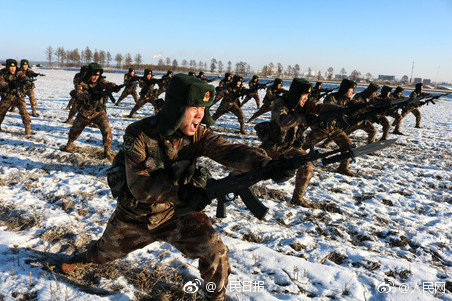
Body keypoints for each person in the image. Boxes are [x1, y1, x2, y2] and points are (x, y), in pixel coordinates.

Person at [59, 74, 294, 301]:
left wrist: (265, 163)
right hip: (135, 215)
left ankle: (216, 297)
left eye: (203, 110)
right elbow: (139, 185)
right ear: (176, 108)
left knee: (216, 252)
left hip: (177, 213)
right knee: (103, 253)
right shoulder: (138, 134)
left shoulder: (199, 134)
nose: (200, 116)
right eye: (194, 109)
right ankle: (86, 258)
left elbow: (229, 150)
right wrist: (182, 192)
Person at [256, 78, 315, 206]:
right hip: (272, 147)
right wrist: (304, 118)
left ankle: (297, 198)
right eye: (303, 95)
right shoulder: (280, 103)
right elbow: (283, 120)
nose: (306, 98)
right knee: (252, 166)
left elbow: (319, 107)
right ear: (296, 94)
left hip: (289, 147)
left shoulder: (303, 107)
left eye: (307, 95)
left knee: (307, 165)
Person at [60, 63, 121, 160]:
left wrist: (114, 86)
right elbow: (78, 92)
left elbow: (106, 83)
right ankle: (69, 144)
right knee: (74, 131)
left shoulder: (100, 82)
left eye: (97, 75)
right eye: (93, 75)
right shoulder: (81, 83)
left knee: (107, 130)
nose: (95, 77)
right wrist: (87, 96)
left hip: (98, 113)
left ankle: (107, 152)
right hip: (84, 113)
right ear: (89, 74)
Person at [302, 79, 357, 176]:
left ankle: (343, 168)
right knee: (304, 146)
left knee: (348, 147)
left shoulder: (350, 101)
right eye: (351, 89)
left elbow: (357, 105)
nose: (352, 92)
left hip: (336, 130)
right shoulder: (331, 97)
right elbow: (328, 107)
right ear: (345, 89)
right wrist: (341, 109)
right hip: (323, 129)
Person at [0, 59, 31, 135]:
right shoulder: (2, 73)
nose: (13, 69)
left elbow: (23, 77)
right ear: (7, 67)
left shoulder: (19, 72)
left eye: (14, 67)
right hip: (7, 97)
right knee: (1, 113)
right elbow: (1, 84)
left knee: (24, 113)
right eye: (11, 67)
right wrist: (11, 84)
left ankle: (27, 131)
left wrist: (26, 81)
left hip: (18, 96)